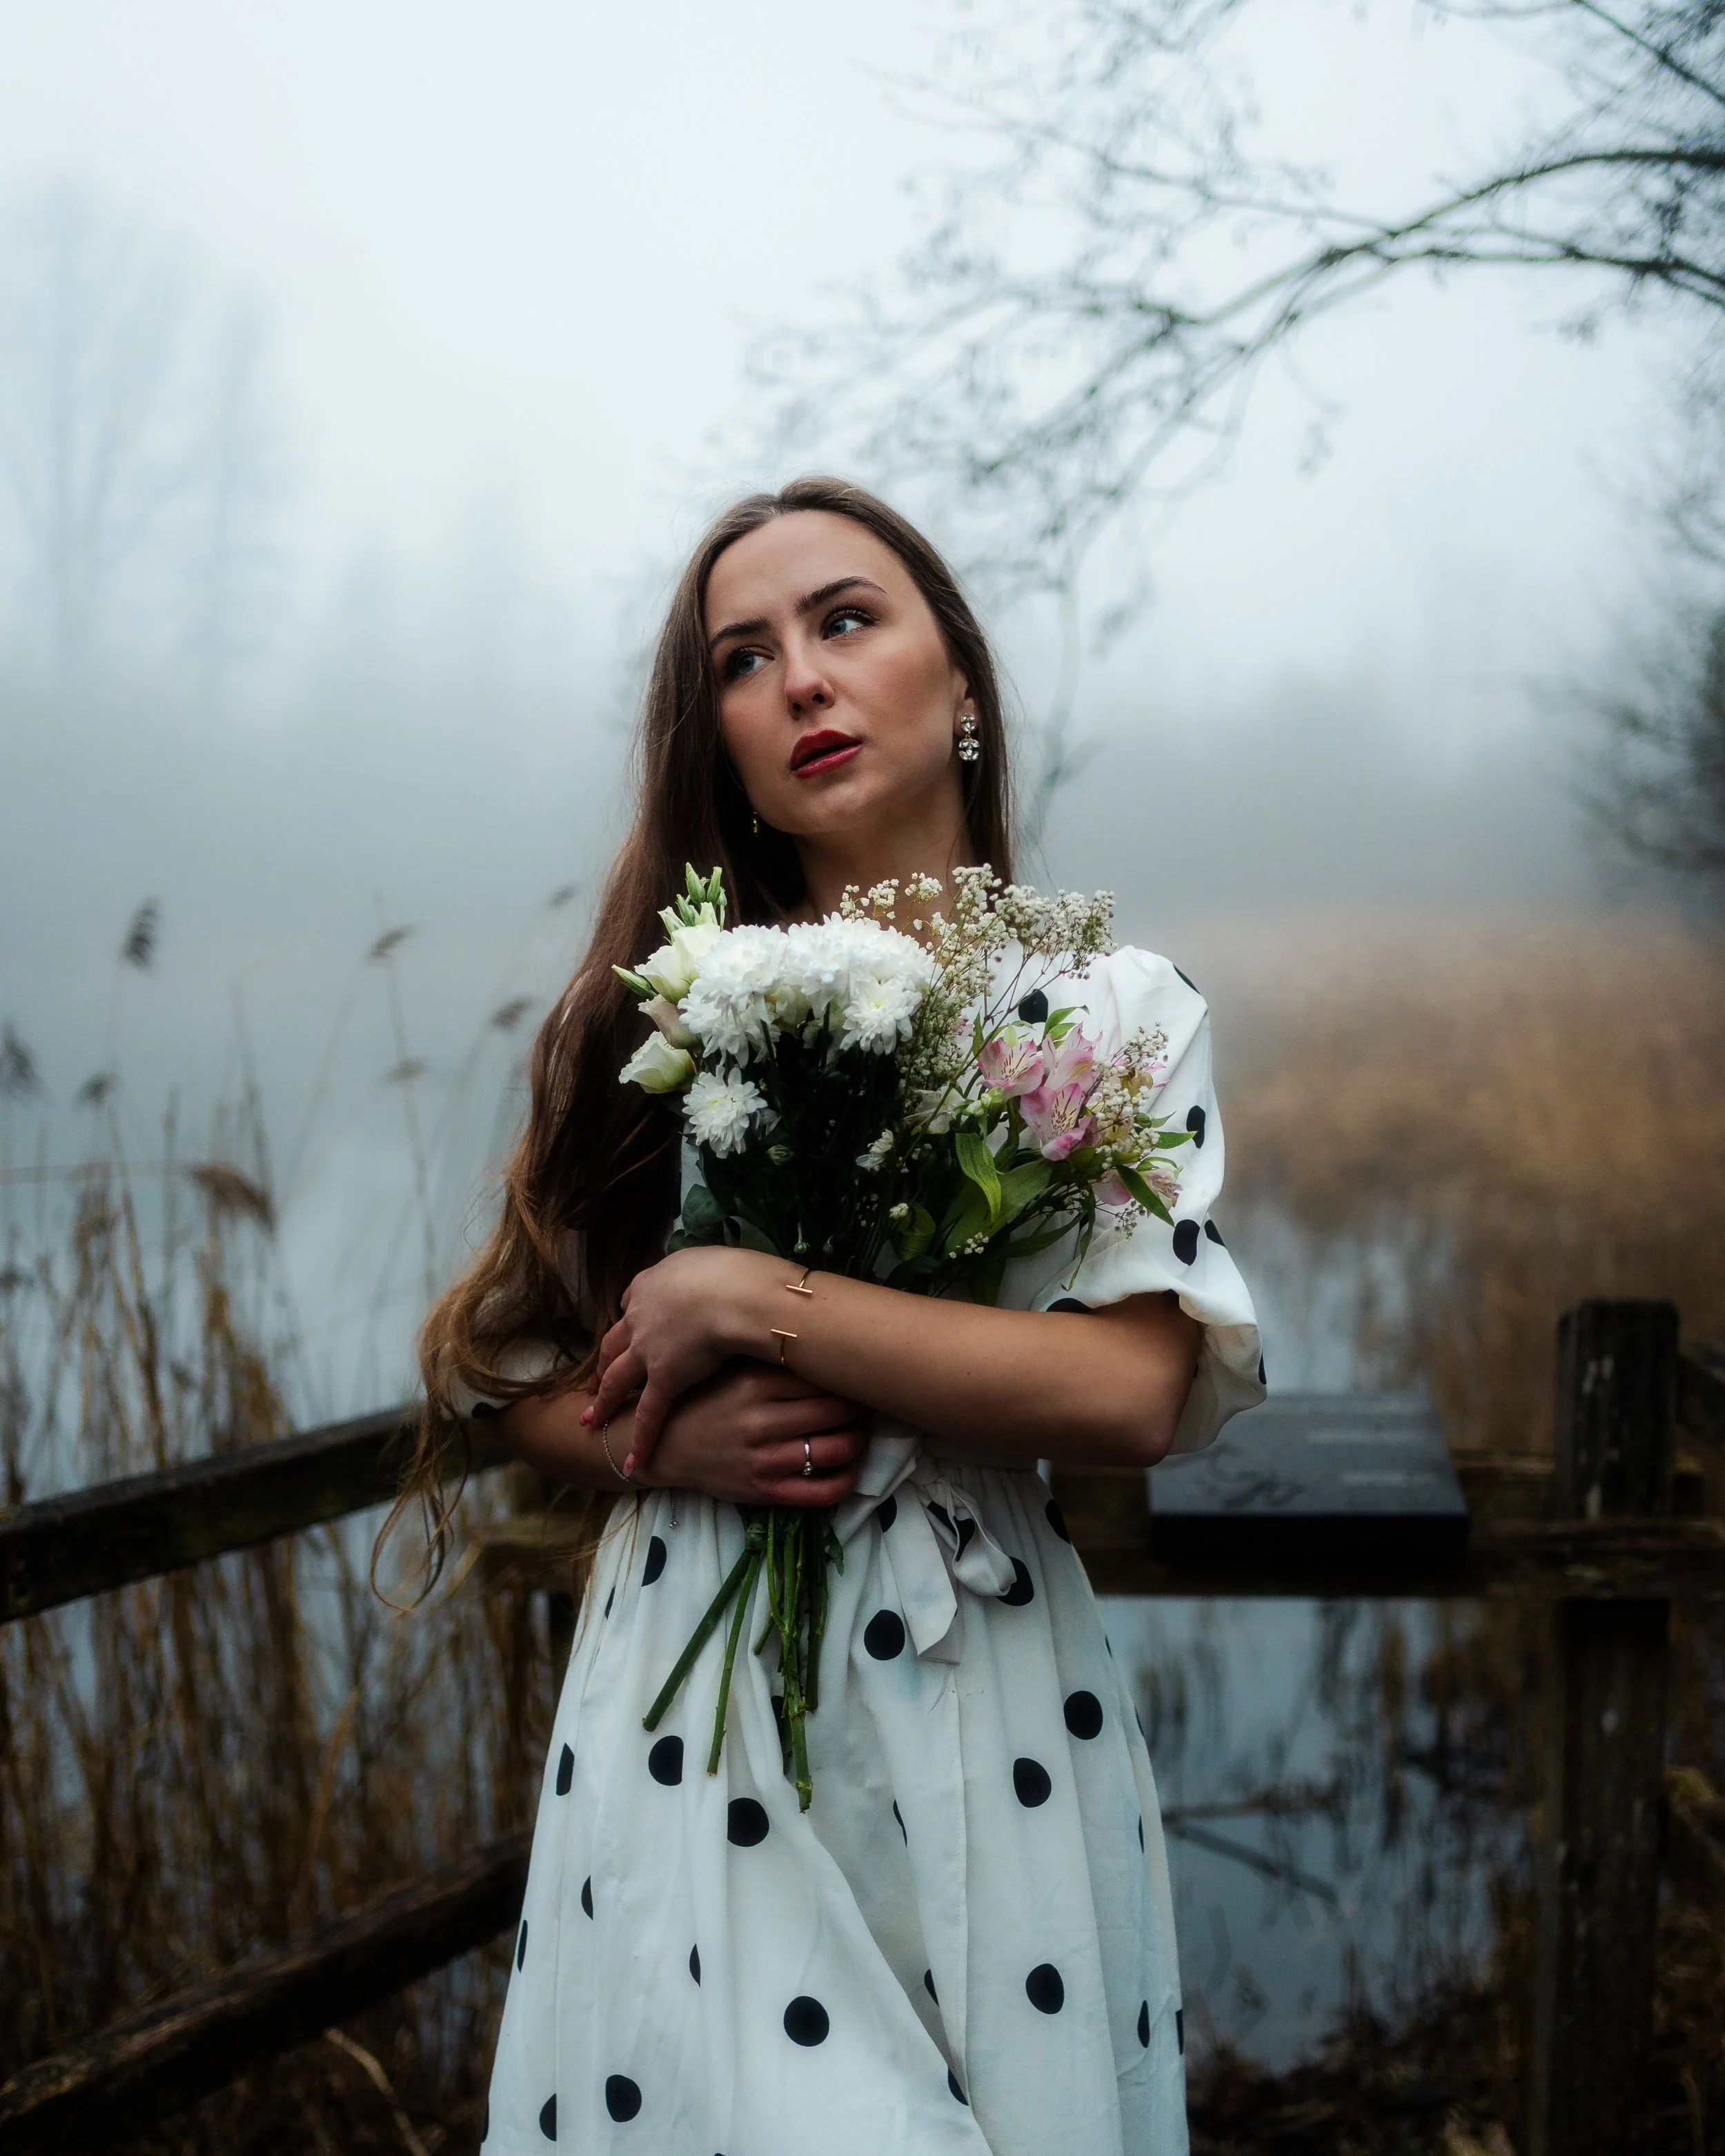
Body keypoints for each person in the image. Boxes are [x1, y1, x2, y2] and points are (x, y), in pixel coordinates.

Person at [407, 476, 1263, 2155]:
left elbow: (1130, 1390)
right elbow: (491, 1364)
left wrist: (762, 1297)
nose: (798, 677)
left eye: (844, 620)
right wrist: (662, 1437)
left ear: (959, 686)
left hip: (992, 1686)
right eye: (742, 656)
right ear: (714, 740)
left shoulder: (1111, 1006)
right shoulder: (662, 1009)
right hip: (692, 1704)